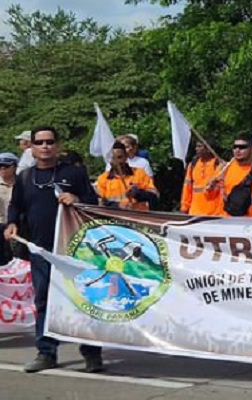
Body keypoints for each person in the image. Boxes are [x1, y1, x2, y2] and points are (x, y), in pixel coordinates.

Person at [4, 126, 104, 373]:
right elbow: (15, 207)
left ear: (57, 146)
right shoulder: (25, 177)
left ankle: (92, 353)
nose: (45, 146)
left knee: (82, 301)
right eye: (40, 142)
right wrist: (12, 224)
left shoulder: (74, 173)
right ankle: (46, 352)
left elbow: (93, 203)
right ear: (33, 147)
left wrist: (77, 199)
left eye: (50, 142)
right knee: (43, 302)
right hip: (41, 250)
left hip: (75, 251)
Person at [96, 141, 159, 211]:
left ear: (126, 157)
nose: (117, 162)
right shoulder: (103, 179)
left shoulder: (139, 173)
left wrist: (138, 193)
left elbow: (155, 195)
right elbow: (102, 203)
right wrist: (118, 205)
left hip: (139, 217)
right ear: (109, 160)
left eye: (120, 157)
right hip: (115, 218)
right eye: (114, 158)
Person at [180, 139, 223, 216]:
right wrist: (184, 207)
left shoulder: (219, 165)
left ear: (208, 149)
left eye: (200, 147)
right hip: (194, 212)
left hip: (214, 213)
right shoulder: (193, 165)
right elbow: (187, 188)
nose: (196, 149)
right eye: (196, 146)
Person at [0, 153, 19, 265]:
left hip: (18, 227)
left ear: (14, 167)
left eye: (6, 166)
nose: (2, 169)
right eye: (0, 166)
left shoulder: (22, 182)